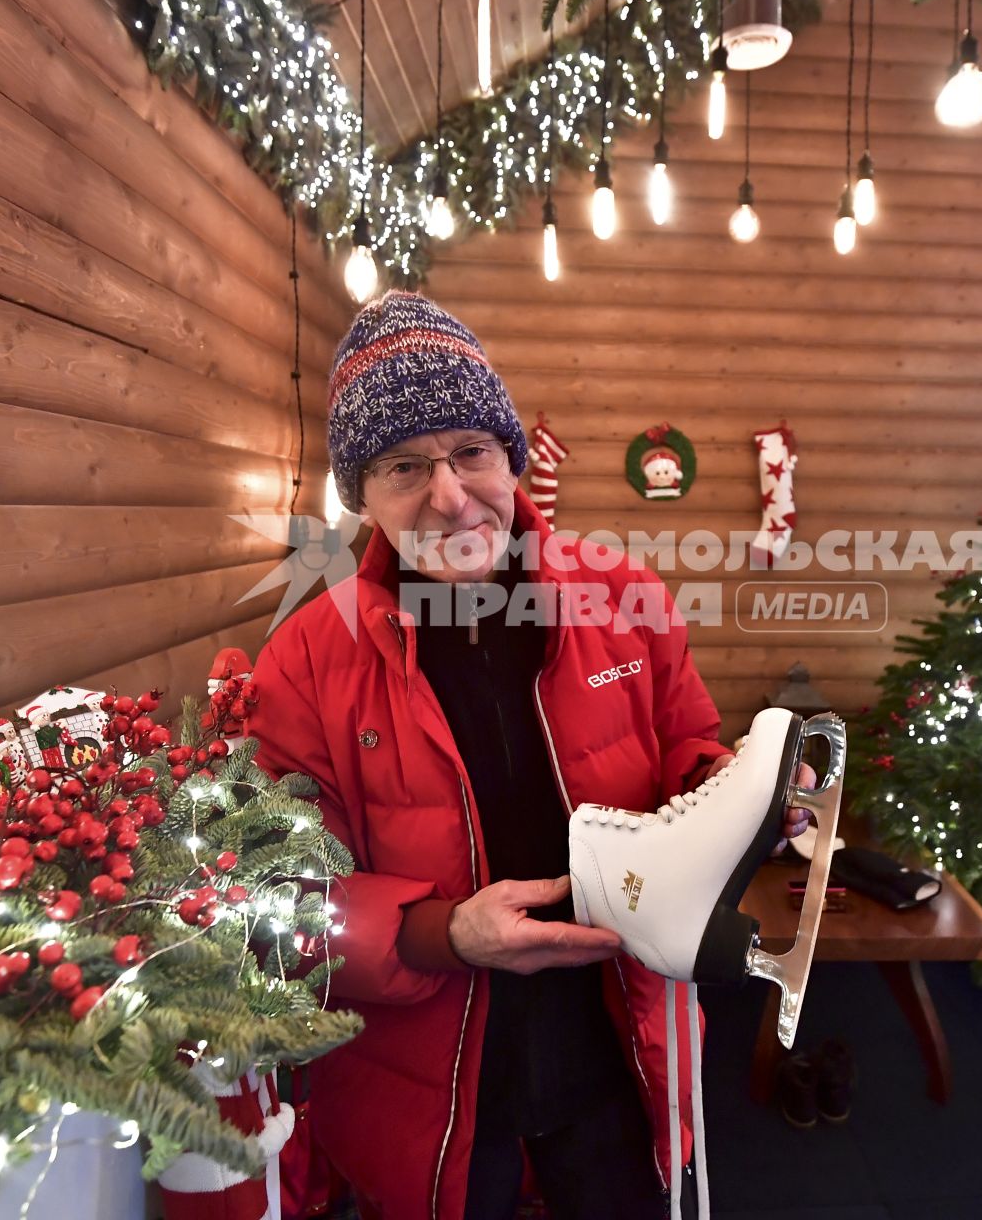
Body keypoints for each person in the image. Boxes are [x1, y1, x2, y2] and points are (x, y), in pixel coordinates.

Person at [248, 293, 803, 1220]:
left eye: (471, 451)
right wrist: (443, 934)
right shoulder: (304, 660)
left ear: (509, 457)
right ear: (363, 497)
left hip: (621, 1046)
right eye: (403, 466)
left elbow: (688, 755)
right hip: (427, 1084)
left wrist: (750, 802)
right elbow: (281, 905)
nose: (450, 495)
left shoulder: (621, 592)